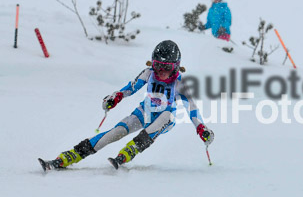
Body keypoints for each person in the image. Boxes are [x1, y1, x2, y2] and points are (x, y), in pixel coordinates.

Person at [39, 40, 214, 171]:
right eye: (157, 66)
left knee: (167, 116)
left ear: (176, 68)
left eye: (165, 67)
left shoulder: (180, 83)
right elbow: (130, 88)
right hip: (143, 112)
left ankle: (130, 150)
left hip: (164, 119)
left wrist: (201, 129)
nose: (160, 71)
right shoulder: (148, 73)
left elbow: (192, 109)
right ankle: (70, 155)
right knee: (116, 132)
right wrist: (115, 98)